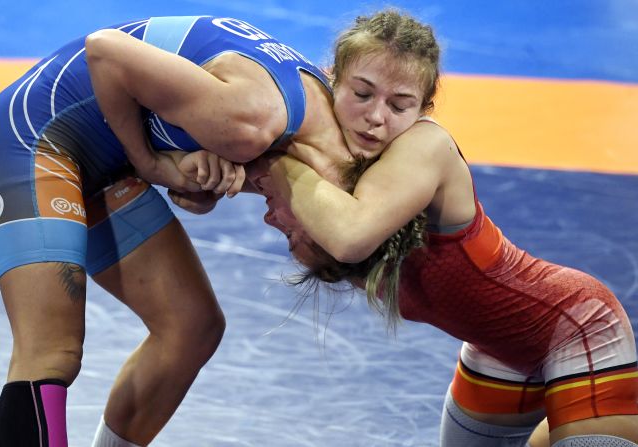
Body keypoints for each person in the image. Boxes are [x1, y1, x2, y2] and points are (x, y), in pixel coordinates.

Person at [239, 10, 638, 447]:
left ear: (423, 109)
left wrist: (272, 161)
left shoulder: (424, 148)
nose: (376, 117)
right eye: (362, 93)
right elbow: (213, 181)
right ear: (331, 81)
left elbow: (349, 237)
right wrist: (196, 171)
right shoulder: (327, 152)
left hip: (577, 327)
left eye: (399, 104)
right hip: (495, 351)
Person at [0, 14, 362, 446]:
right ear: (321, 216)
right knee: (51, 350)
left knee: (190, 327)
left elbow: (189, 160)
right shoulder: (249, 124)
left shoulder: (318, 137)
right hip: (32, 136)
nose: (272, 223)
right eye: (292, 235)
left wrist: (197, 179)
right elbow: (103, 50)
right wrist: (149, 164)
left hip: (103, 158)